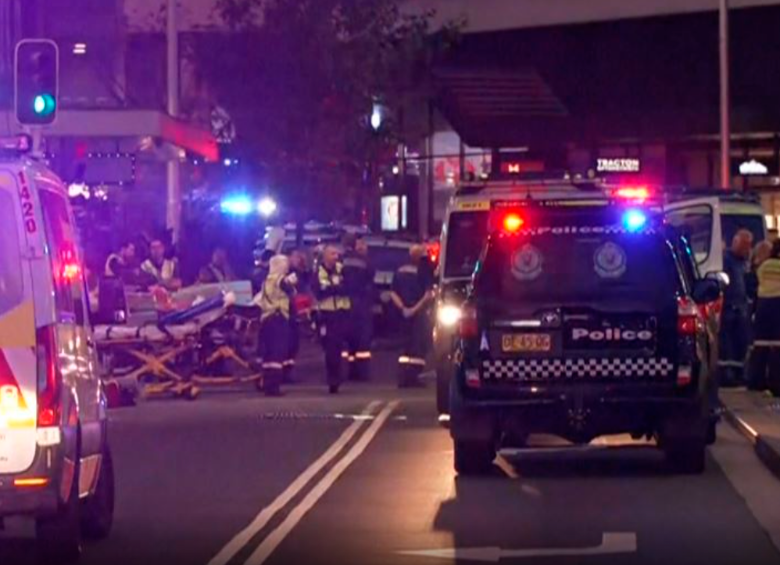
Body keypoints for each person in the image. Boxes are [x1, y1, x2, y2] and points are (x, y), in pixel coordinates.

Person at [390, 244, 435, 388]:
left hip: (403, 315)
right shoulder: (424, 271)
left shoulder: (400, 270)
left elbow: (393, 293)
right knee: (419, 347)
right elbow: (428, 294)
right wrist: (415, 309)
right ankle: (413, 378)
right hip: (419, 314)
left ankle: (403, 378)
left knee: (405, 347)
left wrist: (403, 308)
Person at [255, 255, 298, 396]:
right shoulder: (279, 278)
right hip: (278, 319)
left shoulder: (267, 280)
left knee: (268, 355)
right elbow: (290, 291)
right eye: (285, 264)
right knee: (277, 353)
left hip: (267, 319)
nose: (287, 267)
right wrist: (292, 282)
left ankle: (268, 385)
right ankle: (274, 387)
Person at [314, 245, 351, 394]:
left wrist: (332, 288)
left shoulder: (342, 269)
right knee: (330, 348)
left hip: (342, 312)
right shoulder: (318, 272)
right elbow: (320, 292)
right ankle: (332, 378)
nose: (336, 256)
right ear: (325, 256)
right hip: (327, 313)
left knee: (340, 347)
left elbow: (348, 287)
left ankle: (338, 376)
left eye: (337, 253)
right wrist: (335, 288)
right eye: (332, 253)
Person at [719, 229, 754, 386]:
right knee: (727, 344)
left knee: (741, 343)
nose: (747, 249)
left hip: (740, 307)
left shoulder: (743, 262)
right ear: (735, 243)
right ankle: (727, 375)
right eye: (744, 245)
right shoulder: (725, 260)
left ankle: (737, 373)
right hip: (729, 307)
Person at [747, 239, 780, 394]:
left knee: (760, 346)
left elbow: (757, 281)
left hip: (762, 306)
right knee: (777, 348)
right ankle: (776, 384)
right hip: (778, 305)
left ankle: (755, 381)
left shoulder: (764, 266)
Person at [342, 235, 376, 381]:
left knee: (349, 339)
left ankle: (351, 371)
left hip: (345, 303)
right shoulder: (364, 261)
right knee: (362, 339)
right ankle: (362, 373)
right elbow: (371, 277)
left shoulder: (341, 260)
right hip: (361, 303)